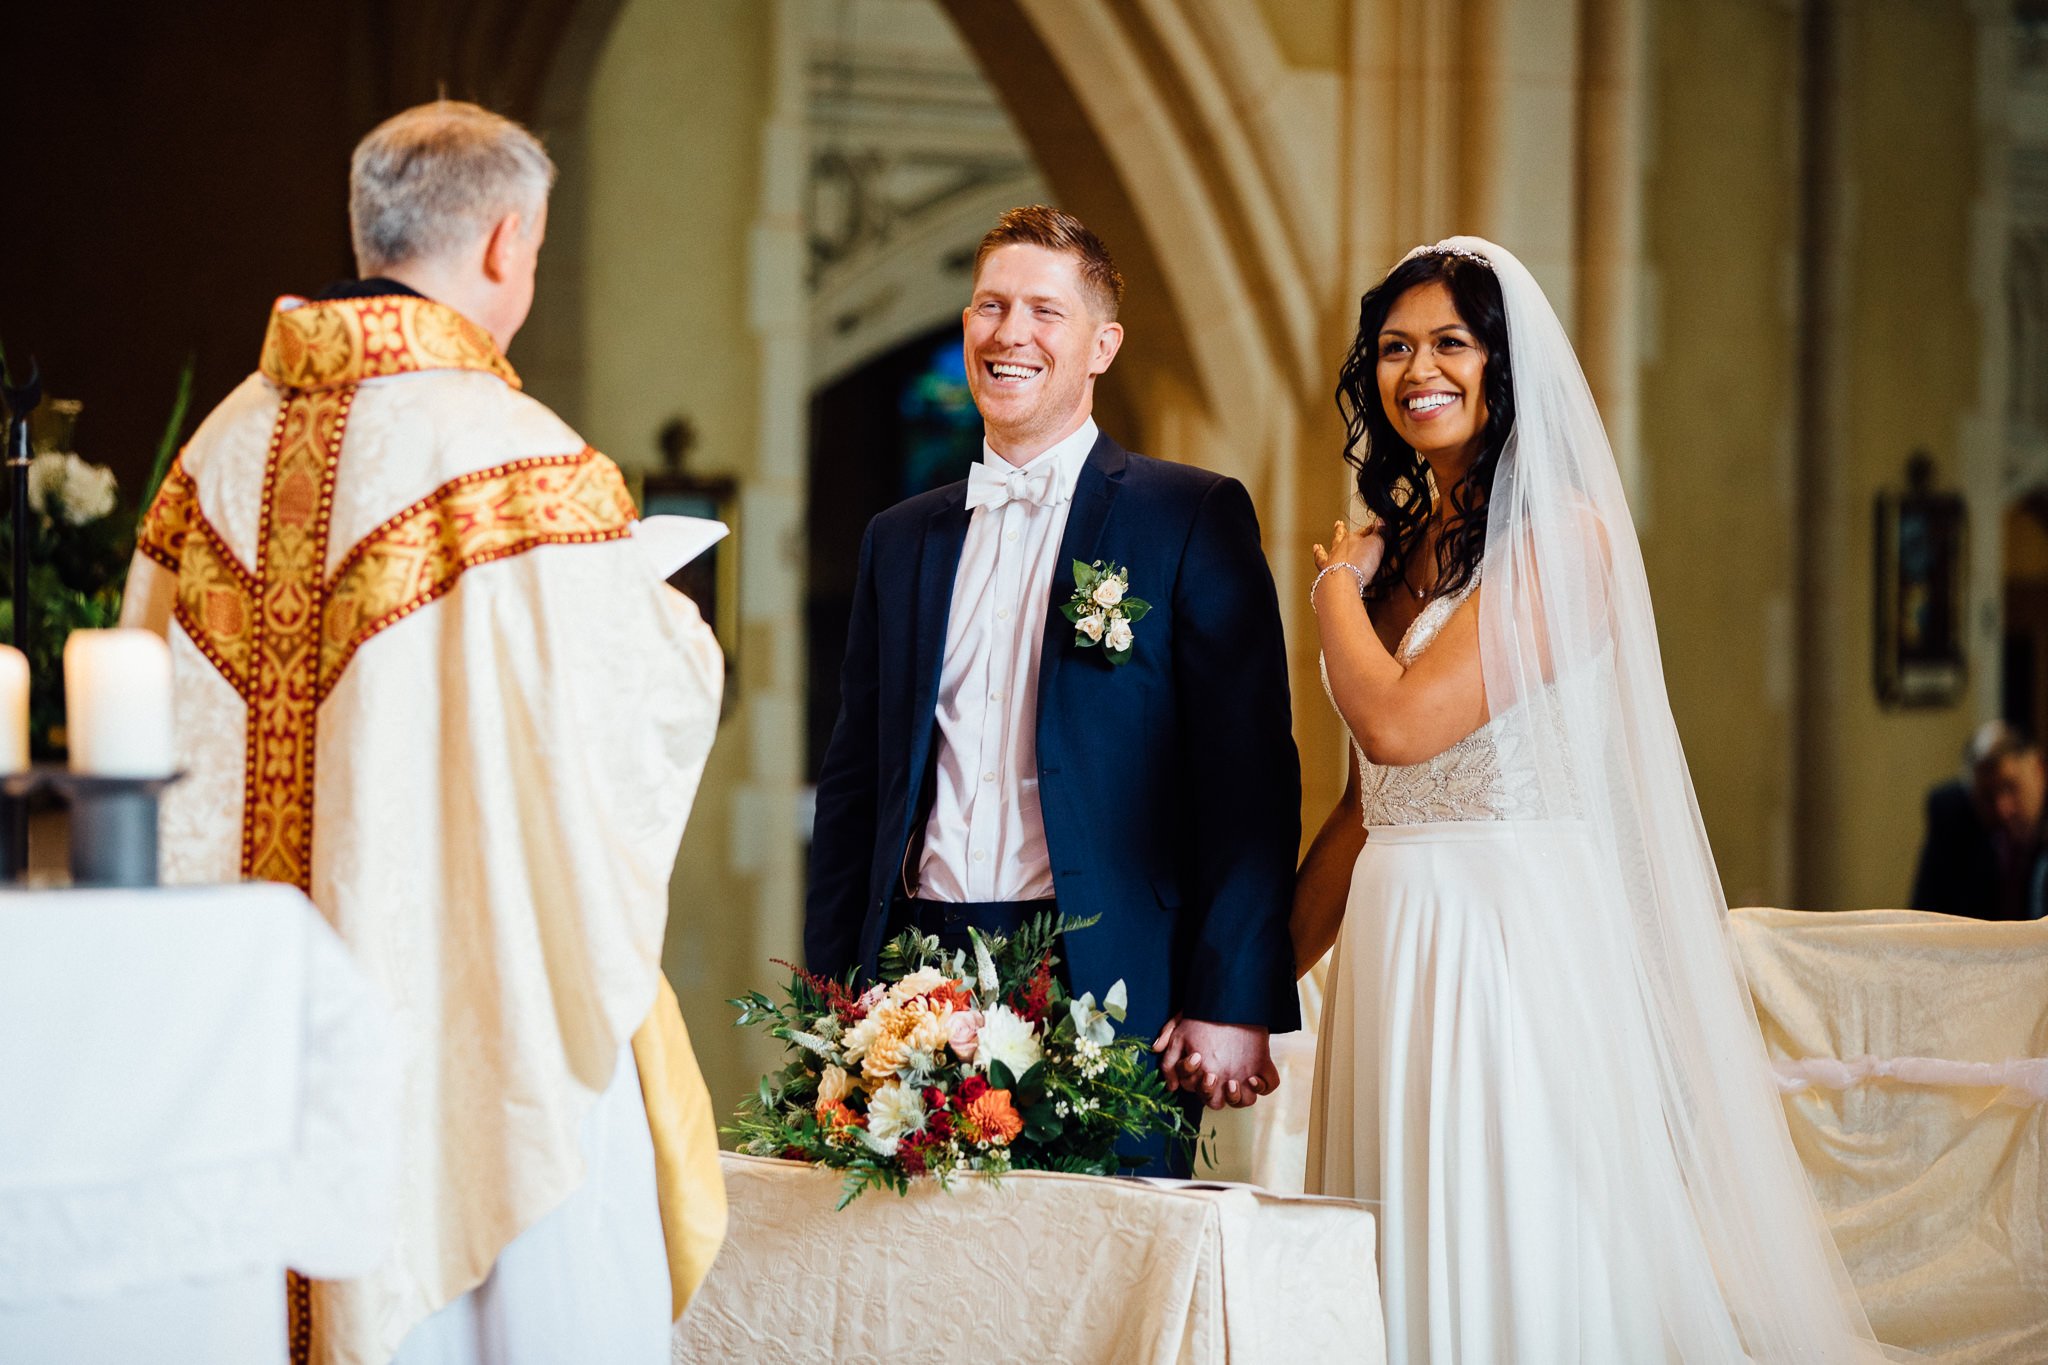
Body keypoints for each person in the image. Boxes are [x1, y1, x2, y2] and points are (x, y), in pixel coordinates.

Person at [121, 101, 726, 1365]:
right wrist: (673, 628)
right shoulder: (519, 466)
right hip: (453, 1006)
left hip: (242, 1036)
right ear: (507, 241)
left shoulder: (213, 456)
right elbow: (631, 723)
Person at [1295, 238, 1891, 1361]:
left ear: (1502, 365)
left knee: (1506, 1236)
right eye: (1390, 348)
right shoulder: (1404, 551)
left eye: (1448, 343)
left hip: (1501, 948)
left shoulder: (1558, 541)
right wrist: (1253, 977)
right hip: (1393, 945)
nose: (1415, 368)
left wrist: (1329, 584)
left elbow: (1399, 722)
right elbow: (1364, 798)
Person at [804, 205, 1301, 1155]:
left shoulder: (1187, 516)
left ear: (1102, 345)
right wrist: (832, 1002)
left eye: (1045, 311)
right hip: (915, 978)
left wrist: (1230, 996)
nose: (1010, 334)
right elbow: (857, 786)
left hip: (1109, 979)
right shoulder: (899, 540)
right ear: (965, 326)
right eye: (990, 306)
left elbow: (1249, 782)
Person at [1910, 720, 2048, 920]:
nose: (2003, 809)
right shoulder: (1952, 817)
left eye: (2011, 787)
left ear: (2040, 770)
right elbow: (1923, 919)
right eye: (1987, 796)